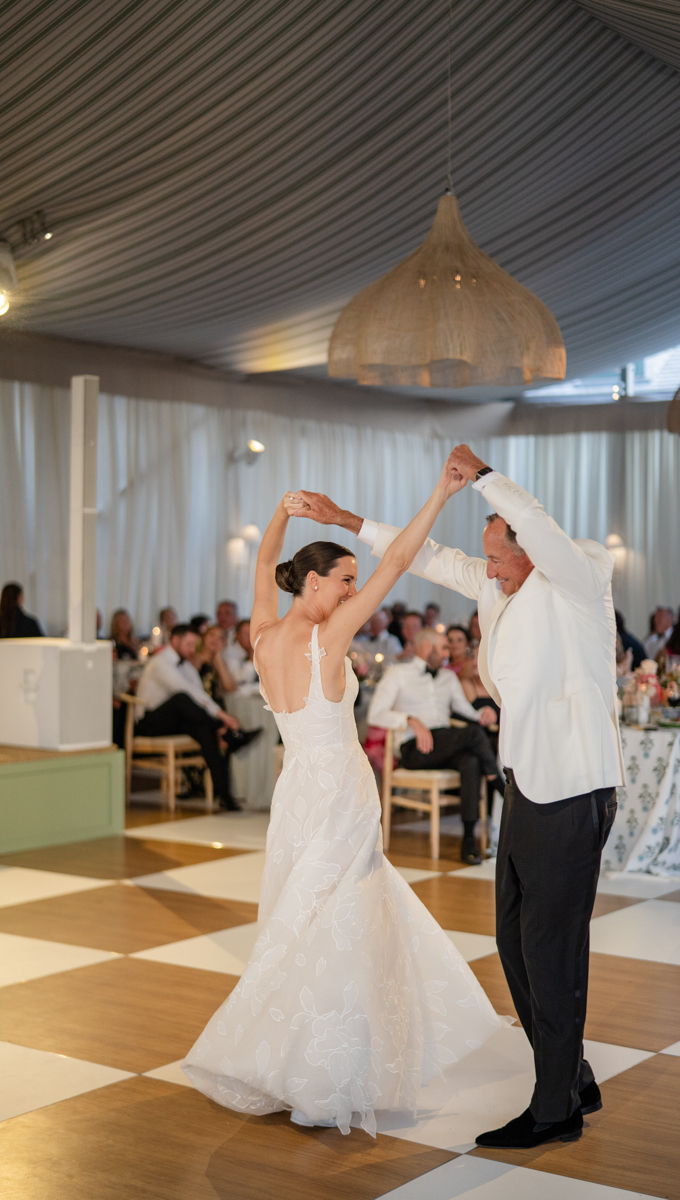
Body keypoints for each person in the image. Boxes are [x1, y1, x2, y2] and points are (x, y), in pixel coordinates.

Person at [294, 444, 623, 1150]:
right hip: (526, 785)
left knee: (552, 947)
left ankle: (556, 1108)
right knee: (514, 939)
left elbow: (536, 526)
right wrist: (346, 519)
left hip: (574, 788)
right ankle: (572, 1075)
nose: (490, 568)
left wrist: (483, 478)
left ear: (528, 547)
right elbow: (430, 557)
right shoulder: (498, 586)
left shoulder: (581, 572)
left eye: (499, 556)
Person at [182, 471, 507, 1135]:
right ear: (313, 582)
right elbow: (398, 561)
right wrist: (440, 495)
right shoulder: (325, 639)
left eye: (355, 582)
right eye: (345, 581)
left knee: (309, 922)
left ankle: (310, 1065)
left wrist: (281, 513)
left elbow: (263, 567)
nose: (354, 592)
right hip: (339, 793)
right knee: (342, 922)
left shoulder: (262, 636)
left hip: (298, 793)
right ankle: (324, 1078)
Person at [368, 627, 499, 865]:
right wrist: (410, 720)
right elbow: (375, 714)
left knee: (471, 761)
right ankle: (497, 781)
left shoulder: (448, 678)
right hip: (413, 749)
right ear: (427, 647)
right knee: (472, 735)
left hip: (444, 745)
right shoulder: (399, 674)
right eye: (444, 648)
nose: (448, 653)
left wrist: (484, 712)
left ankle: (468, 839)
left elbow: (468, 712)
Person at [136, 623, 257, 810]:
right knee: (181, 698)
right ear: (175, 640)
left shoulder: (186, 666)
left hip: (173, 721)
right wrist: (222, 719)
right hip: (148, 722)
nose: (193, 650)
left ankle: (224, 795)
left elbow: (201, 696)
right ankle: (224, 733)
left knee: (203, 730)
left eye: (195, 645)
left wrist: (221, 717)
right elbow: (185, 690)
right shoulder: (160, 663)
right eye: (189, 644)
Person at [193, 623, 237, 706]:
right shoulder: (194, 658)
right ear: (204, 637)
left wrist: (218, 657)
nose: (215, 639)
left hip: (216, 704)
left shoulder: (220, 663)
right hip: (198, 704)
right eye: (212, 635)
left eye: (220, 638)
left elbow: (230, 688)